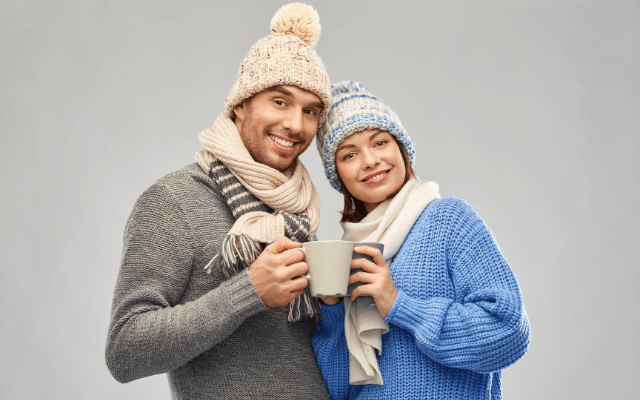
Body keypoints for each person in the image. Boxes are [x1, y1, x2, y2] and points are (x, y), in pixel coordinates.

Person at [105, 4, 334, 399]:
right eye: (280, 101)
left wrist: (337, 304)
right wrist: (250, 291)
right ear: (240, 103)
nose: (296, 124)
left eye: (310, 110)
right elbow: (125, 351)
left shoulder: (297, 209)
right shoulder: (172, 200)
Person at [312, 81, 531, 399]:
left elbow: (508, 332)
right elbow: (337, 390)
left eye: (380, 142)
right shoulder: (350, 254)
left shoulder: (449, 220)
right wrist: (331, 311)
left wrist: (399, 305)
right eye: (349, 154)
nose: (370, 160)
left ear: (400, 147)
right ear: (338, 175)